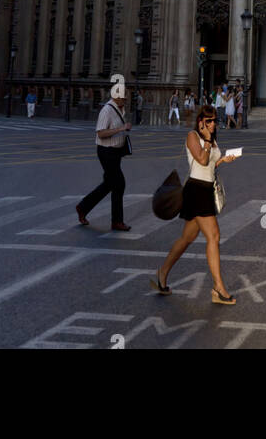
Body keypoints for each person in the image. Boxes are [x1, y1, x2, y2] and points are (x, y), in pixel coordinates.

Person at [152, 106, 239, 304]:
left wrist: (224, 160)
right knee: (214, 235)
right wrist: (207, 139)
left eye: (215, 120)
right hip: (196, 190)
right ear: (200, 122)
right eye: (209, 121)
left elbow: (209, 164)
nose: (213, 124)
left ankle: (162, 273)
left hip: (206, 189)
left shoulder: (212, 139)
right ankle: (218, 288)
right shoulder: (193, 136)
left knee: (187, 237)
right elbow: (200, 159)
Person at [75, 85, 133, 231]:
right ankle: (117, 221)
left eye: (125, 97)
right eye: (122, 97)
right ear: (115, 96)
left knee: (109, 184)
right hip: (106, 152)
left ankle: (83, 207)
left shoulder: (121, 109)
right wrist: (121, 128)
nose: (125, 100)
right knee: (119, 184)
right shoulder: (107, 110)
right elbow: (100, 133)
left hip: (116, 152)